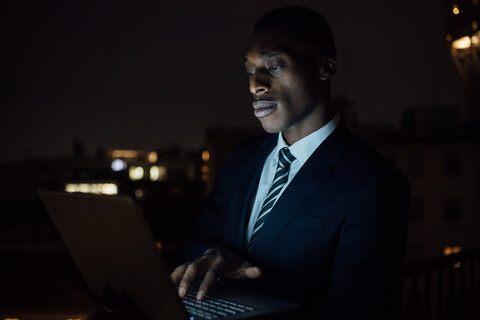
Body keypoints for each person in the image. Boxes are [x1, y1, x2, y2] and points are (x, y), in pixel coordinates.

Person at [171, 6, 410, 319]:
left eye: (274, 65)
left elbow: (356, 310)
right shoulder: (243, 158)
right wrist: (214, 258)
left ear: (324, 68)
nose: (255, 84)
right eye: (249, 70)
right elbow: (194, 242)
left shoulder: (374, 184)